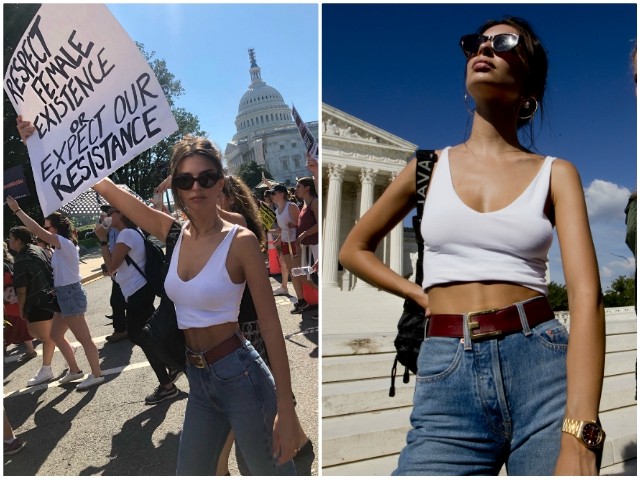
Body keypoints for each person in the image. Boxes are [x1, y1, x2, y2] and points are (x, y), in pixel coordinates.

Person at [339, 17, 605, 476]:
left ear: (529, 86)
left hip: (540, 362)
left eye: (503, 43)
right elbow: (353, 248)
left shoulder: (556, 173)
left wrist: (581, 431)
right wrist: (419, 294)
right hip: (446, 367)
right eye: (475, 43)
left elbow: (587, 297)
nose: (484, 49)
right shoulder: (427, 167)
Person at [91, 135, 297, 475]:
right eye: (185, 180)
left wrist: (285, 408)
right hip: (198, 376)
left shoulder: (239, 239)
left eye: (206, 178)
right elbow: (107, 187)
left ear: (221, 182)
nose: (196, 187)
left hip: (240, 373)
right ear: (177, 187)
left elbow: (270, 324)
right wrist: (41, 139)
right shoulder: (171, 231)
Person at [6, 201, 105, 390]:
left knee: (84, 339)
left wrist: (18, 210)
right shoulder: (60, 246)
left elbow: (34, 229)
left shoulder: (64, 244)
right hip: (64, 295)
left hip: (70, 294)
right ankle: (75, 370)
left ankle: (97, 374)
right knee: (56, 335)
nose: (43, 231)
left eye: (47, 227)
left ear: (56, 228)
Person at [93, 207, 181, 404]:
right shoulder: (130, 233)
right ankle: (170, 365)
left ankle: (168, 383)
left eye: (111, 212)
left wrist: (103, 240)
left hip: (138, 292)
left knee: (140, 335)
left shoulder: (126, 234)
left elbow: (111, 267)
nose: (107, 216)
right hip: (137, 291)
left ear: (122, 214)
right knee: (150, 334)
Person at [8, 227, 58, 387]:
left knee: (45, 337)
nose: (9, 241)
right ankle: (67, 350)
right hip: (49, 296)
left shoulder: (21, 259)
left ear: (18, 240)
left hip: (37, 301)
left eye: (10, 238)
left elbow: (21, 291)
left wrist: (21, 310)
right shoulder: (38, 248)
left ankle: (46, 369)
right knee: (46, 335)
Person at [270, 184, 305, 312]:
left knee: (298, 271)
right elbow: (281, 229)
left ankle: (306, 298)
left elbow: (300, 225)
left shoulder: (291, 206)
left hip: (295, 242)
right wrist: (276, 237)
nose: (272, 196)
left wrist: (293, 226)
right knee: (292, 272)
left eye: (274, 193)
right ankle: (300, 299)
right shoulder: (277, 210)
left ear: (282, 193)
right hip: (285, 243)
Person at [3, 242, 37, 362]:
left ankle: (30, 350)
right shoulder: (10, 262)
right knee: (20, 325)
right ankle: (30, 350)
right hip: (16, 298)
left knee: (10, 327)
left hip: (8, 302)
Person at [100, 208, 128, 343]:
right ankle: (123, 327)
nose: (107, 218)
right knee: (119, 300)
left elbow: (117, 254)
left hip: (122, 270)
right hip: (118, 271)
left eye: (109, 214)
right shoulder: (110, 230)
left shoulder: (124, 232)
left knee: (117, 301)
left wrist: (102, 240)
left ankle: (121, 329)